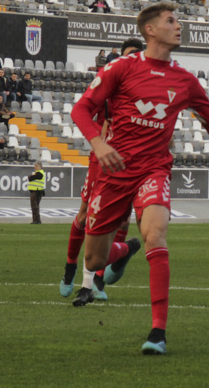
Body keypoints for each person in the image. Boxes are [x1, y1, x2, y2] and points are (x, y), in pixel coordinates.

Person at [69, 3, 209, 355]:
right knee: (93, 261)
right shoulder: (121, 68)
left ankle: (157, 332)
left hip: (155, 169)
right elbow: (81, 109)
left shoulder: (185, 81)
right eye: (171, 21)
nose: (179, 26)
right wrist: (99, 143)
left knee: (155, 234)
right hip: (115, 172)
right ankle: (122, 251)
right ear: (150, 30)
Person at [58, 38, 143, 301]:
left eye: (136, 56)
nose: (131, 61)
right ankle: (70, 267)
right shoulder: (107, 83)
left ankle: (97, 281)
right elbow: (84, 112)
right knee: (86, 216)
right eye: (127, 56)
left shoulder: (146, 89)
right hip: (101, 159)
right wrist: (100, 141)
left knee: (120, 220)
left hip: (131, 162)